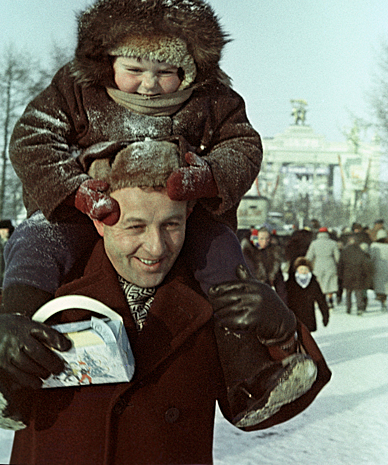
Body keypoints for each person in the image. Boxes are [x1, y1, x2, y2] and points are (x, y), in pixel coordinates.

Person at [0, 140, 331, 465]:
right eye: (135, 226)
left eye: (171, 224)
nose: (156, 247)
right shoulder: (45, 288)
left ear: (189, 215)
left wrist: (281, 334)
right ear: (100, 221)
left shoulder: (211, 295)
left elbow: (259, 411)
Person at [2, 0, 262, 311]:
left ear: (188, 70)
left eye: (166, 72)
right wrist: (74, 190)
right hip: (90, 210)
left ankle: (249, 354)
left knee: (221, 256)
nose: (149, 85)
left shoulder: (210, 99)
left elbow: (242, 144)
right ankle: (16, 321)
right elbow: (34, 137)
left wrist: (210, 177)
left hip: (183, 213)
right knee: (37, 243)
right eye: (135, 70)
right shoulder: (80, 89)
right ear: (109, 62)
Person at [241, 226, 287, 304]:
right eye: (261, 238)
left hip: (267, 293)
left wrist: (284, 305)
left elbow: (279, 283)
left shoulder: (273, 254)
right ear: (256, 238)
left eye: (267, 239)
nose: (264, 241)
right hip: (253, 293)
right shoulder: (249, 254)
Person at [286, 257, 329, 332]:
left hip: (308, 315)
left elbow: (321, 299)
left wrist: (325, 315)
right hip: (294, 315)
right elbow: (285, 299)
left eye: (305, 269)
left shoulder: (313, 283)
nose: (303, 271)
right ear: (297, 270)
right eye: (301, 269)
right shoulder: (291, 283)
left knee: (307, 336)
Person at [337, 233, 374, 315]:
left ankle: (348, 307)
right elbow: (365, 264)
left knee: (348, 292)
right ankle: (359, 307)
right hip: (358, 274)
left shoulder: (344, 251)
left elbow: (340, 264)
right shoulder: (360, 251)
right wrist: (366, 274)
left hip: (347, 274)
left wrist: (340, 275)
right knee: (358, 292)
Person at [305, 227, 340, 309]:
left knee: (320, 284)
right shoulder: (333, 243)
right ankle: (330, 300)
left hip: (318, 265)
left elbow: (309, 256)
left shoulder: (314, 243)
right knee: (330, 283)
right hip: (330, 264)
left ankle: (322, 300)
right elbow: (338, 257)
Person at [370, 228, 388, 311]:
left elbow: (371, 258)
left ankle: (381, 300)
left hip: (377, 267)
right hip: (386, 267)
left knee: (379, 284)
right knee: (386, 285)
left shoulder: (374, 245)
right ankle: (384, 299)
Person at [0, 220, 14, 294]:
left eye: (4, 229)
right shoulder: (2, 243)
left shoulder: (12, 242)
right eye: (0, 230)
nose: (2, 232)